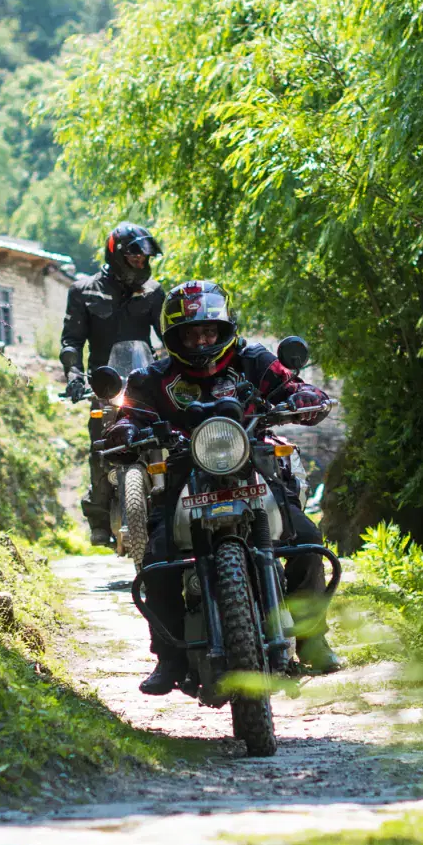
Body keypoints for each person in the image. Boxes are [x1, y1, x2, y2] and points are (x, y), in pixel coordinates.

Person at [106, 279, 343, 693]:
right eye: (192, 332)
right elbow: (128, 414)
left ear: (224, 329)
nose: (202, 339)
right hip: (184, 472)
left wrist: (305, 397)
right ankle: (169, 656)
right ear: (174, 336)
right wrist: (124, 431)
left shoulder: (253, 359)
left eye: (210, 330)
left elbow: (292, 385)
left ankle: (313, 638)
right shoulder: (152, 378)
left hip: (252, 460)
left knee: (305, 539)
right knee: (158, 559)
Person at [60, 223, 166, 544]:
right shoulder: (83, 291)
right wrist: (74, 375)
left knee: (171, 438)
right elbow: (72, 342)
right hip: (104, 389)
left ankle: (173, 500)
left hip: (144, 385)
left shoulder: (153, 292)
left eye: (144, 257)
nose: (140, 262)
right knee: (100, 448)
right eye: (134, 256)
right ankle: (100, 518)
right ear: (117, 253)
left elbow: (169, 337)